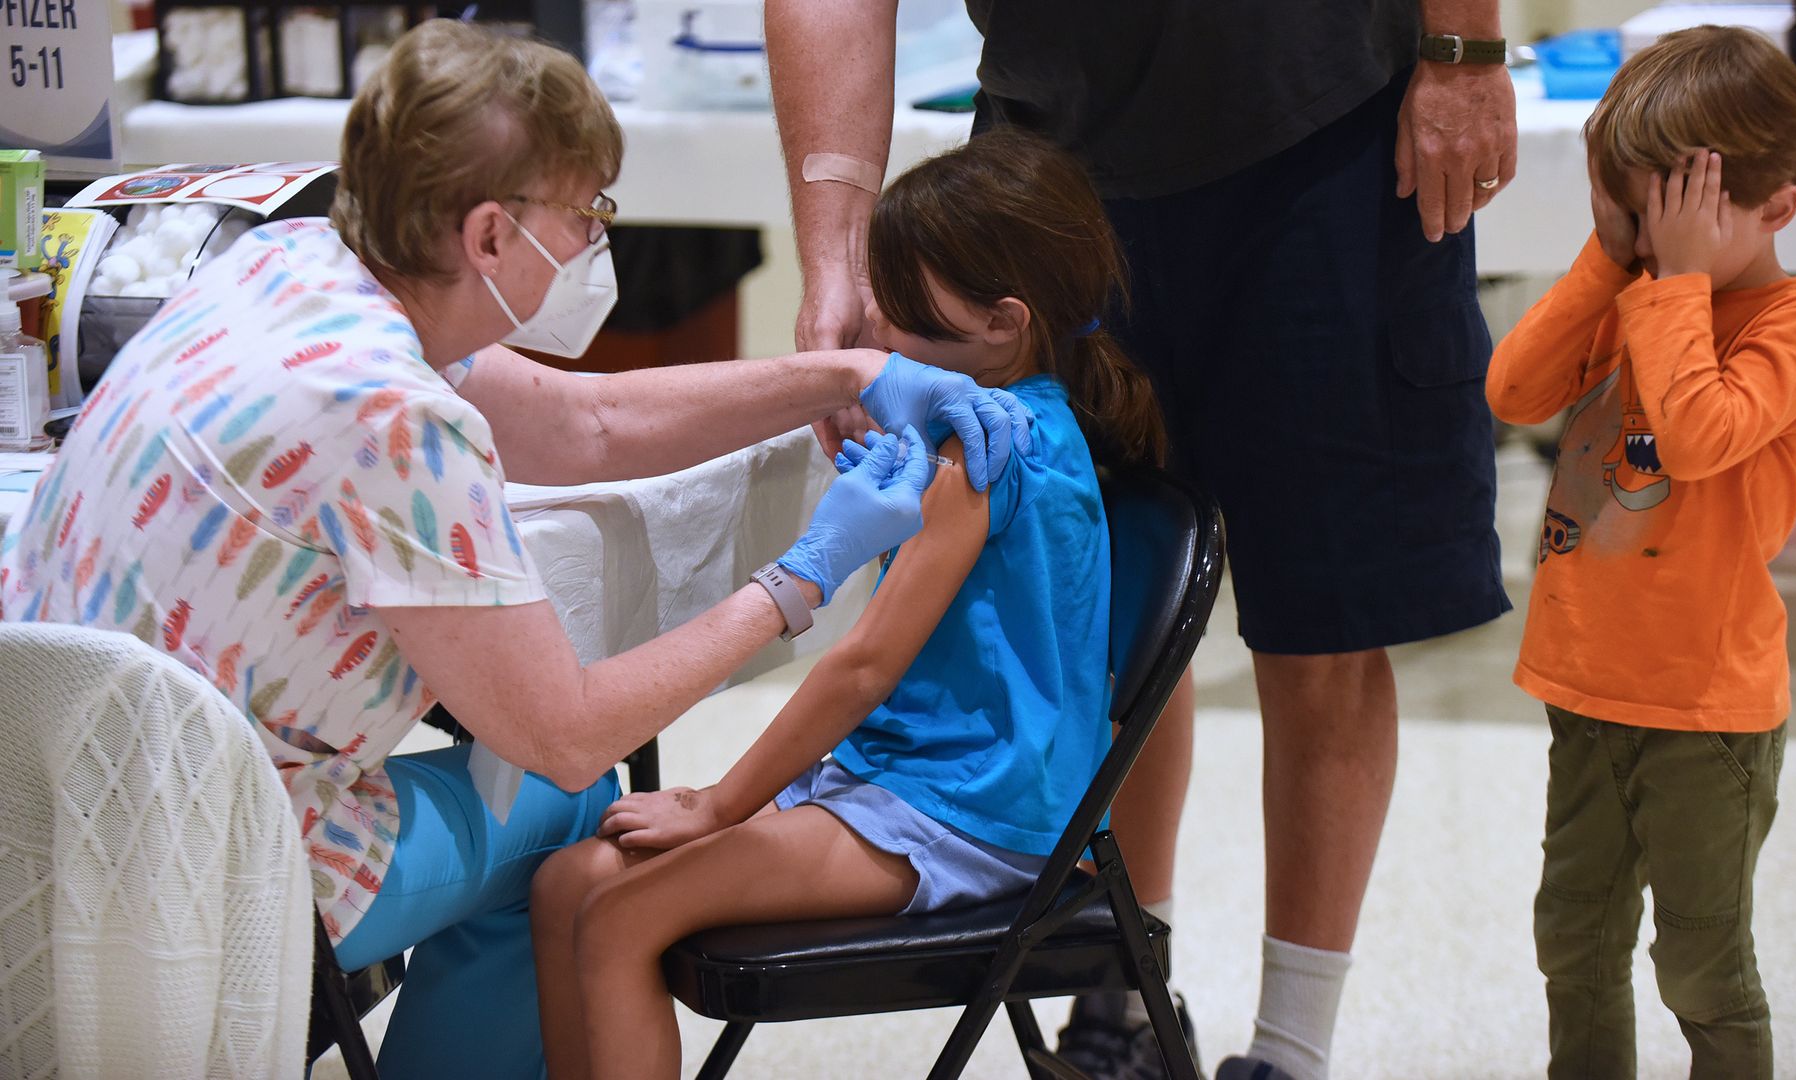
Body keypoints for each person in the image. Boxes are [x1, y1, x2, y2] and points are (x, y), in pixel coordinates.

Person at [0, 20, 1030, 1079]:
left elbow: (583, 425)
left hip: (33, 807)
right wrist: (801, 575)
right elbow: (568, 734)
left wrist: (843, 377)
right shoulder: (392, 419)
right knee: (574, 812)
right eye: (587, 214)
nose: (594, 240)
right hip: (193, 866)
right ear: (491, 234)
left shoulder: (284, 265)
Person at [766, 2, 1517, 1077]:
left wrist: (1462, 50)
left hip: (1328, 128)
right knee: (1077, 609)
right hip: (1050, 155)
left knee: (1329, 616)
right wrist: (836, 263)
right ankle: (1117, 988)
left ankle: (1291, 1051)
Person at [527, 128, 1168, 1080]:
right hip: (901, 780)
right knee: (567, 881)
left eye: (904, 310)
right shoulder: (1004, 424)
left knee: (619, 912)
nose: (881, 335)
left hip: (971, 818)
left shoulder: (982, 458)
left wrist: (718, 802)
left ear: (1003, 323)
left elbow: (864, 665)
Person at [1485, 27, 1796, 1079]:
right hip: (1589, 687)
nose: (1649, 239)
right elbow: (1513, 393)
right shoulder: (1632, 286)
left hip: (1706, 713)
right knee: (1574, 938)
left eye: (1673, 215)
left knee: (1700, 963)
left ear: (1777, 209)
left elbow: (1693, 436)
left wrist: (1674, 287)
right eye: (1634, 210)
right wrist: (1613, 257)